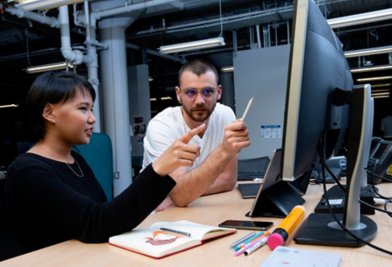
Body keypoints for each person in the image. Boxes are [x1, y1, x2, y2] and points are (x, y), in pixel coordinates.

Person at [3, 71, 205, 259]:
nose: (92, 119)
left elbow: (102, 213)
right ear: (49, 112)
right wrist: (158, 169)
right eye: (83, 109)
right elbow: (97, 223)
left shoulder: (76, 160)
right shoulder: (28, 172)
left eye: (91, 109)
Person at [142, 59, 250, 211]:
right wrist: (224, 151)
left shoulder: (225, 115)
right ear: (178, 94)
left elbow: (228, 181)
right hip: (158, 219)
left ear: (218, 92)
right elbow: (181, 196)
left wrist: (179, 193)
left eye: (207, 92)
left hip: (198, 209)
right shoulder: (162, 126)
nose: (199, 101)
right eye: (191, 92)